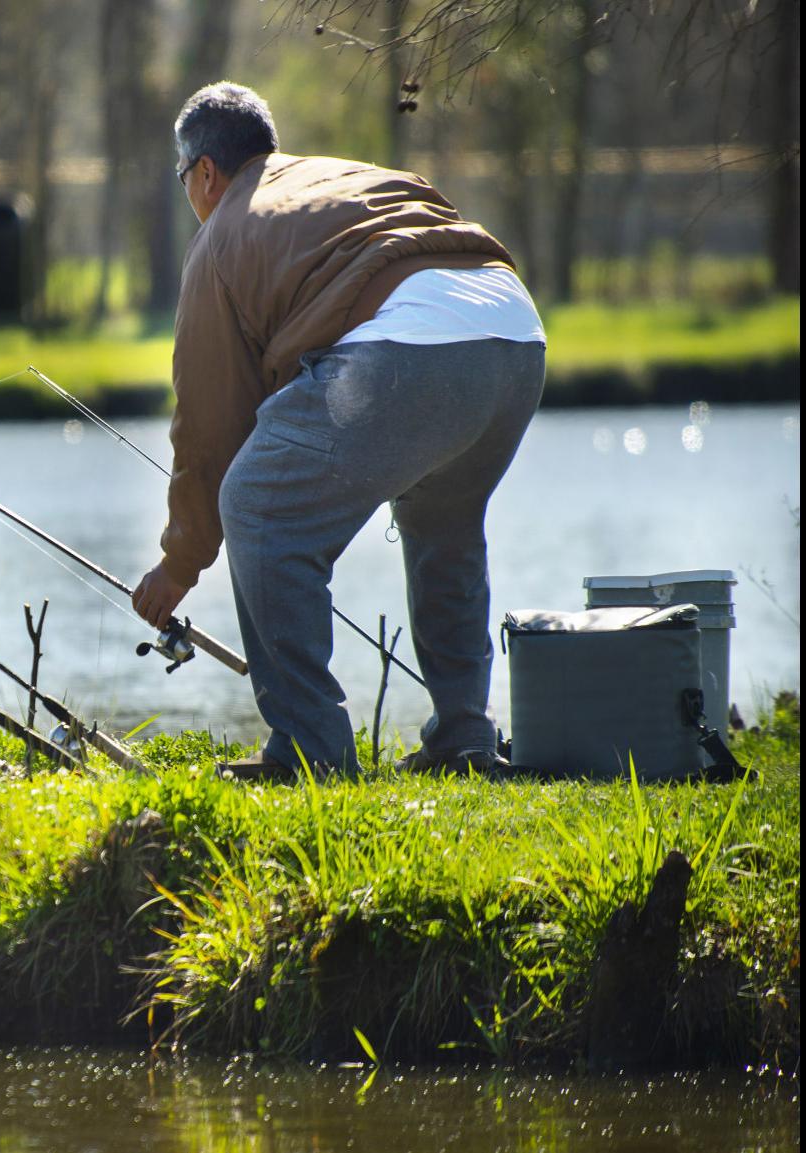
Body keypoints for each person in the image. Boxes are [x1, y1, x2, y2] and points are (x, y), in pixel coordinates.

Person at [131, 82, 546, 781]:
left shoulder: (221, 232)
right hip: (513, 334)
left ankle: (310, 748)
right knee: (443, 528)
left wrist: (180, 563)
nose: (188, 193)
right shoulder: (344, 175)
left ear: (204, 172)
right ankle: (463, 739)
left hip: (412, 346)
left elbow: (208, 429)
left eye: (182, 179)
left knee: (259, 506)